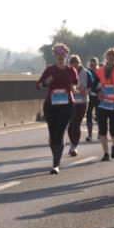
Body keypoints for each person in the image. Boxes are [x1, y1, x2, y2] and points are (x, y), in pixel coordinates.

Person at [36, 43, 78, 174]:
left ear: (66, 55)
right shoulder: (50, 70)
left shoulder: (71, 70)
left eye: (63, 54)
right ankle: (56, 158)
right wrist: (46, 82)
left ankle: (56, 164)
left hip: (67, 106)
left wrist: (73, 88)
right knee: (53, 135)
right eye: (58, 54)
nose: (61, 57)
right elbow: (39, 85)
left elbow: (75, 85)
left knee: (59, 133)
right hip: (51, 106)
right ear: (55, 55)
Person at [95, 48, 114, 162]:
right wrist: (99, 92)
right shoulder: (99, 70)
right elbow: (94, 85)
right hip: (102, 103)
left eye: (113, 55)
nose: (111, 57)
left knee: (113, 129)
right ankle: (105, 153)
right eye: (109, 55)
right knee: (102, 129)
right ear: (106, 57)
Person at [66, 54, 98, 156]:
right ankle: (72, 143)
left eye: (76, 63)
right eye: (72, 64)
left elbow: (91, 85)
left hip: (82, 102)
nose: (74, 66)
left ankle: (74, 146)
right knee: (70, 126)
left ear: (79, 63)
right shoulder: (67, 72)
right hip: (70, 102)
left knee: (76, 124)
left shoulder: (86, 72)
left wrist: (86, 91)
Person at [84, 57, 100, 141]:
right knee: (89, 115)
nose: (93, 65)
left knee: (99, 115)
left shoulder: (100, 71)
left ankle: (100, 134)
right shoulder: (87, 72)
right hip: (90, 95)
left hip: (98, 95)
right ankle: (90, 134)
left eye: (94, 63)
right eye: (91, 63)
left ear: (97, 63)